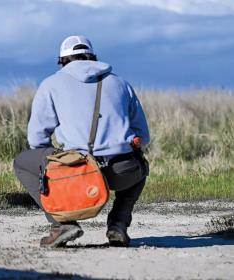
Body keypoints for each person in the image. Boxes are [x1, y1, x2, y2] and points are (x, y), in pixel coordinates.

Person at [13, 35, 150, 248]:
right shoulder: (121, 83)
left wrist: (59, 159)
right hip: (120, 172)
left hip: (76, 172)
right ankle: (119, 223)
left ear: (63, 61)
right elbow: (144, 136)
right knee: (140, 165)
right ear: (93, 57)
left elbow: (36, 139)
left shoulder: (50, 85)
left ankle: (62, 223)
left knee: (22, 161)